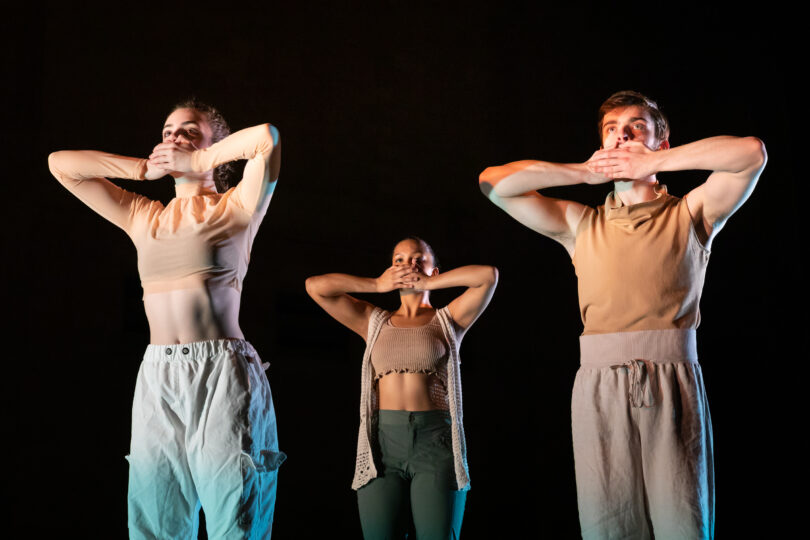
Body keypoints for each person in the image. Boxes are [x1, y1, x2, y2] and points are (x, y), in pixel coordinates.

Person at [479, 90, 766, 539]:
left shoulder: (691, 212)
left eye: (636, 127)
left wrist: (649, 164)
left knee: (682, 523)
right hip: (598, 384)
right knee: (608, 526)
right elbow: (492, 184)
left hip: (671, 378)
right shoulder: (580, 223)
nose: (622, 135)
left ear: (662, 142)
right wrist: (583, 172)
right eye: (611, 130)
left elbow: (751, 153)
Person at [48, 99, 285, 539]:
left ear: (216, 146)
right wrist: (142, 169)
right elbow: (60, 164)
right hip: (158, 373)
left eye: (189, 131)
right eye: (168, 131)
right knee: (155, 519)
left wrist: (197, 160)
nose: (174, 138)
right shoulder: (144, 214)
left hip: (222, 372)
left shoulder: (236, 207)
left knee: (235, 514)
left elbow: (267, 138)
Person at [305, 237, 497, 539]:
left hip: (435, 444)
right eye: (399, 259)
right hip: (382, 447)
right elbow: (316, 286)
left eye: (418, 258)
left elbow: (488, 276)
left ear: (434, 271)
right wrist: (377, 285)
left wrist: (432, 283)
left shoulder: (448, 320)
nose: (409, 265)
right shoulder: (374, 321)